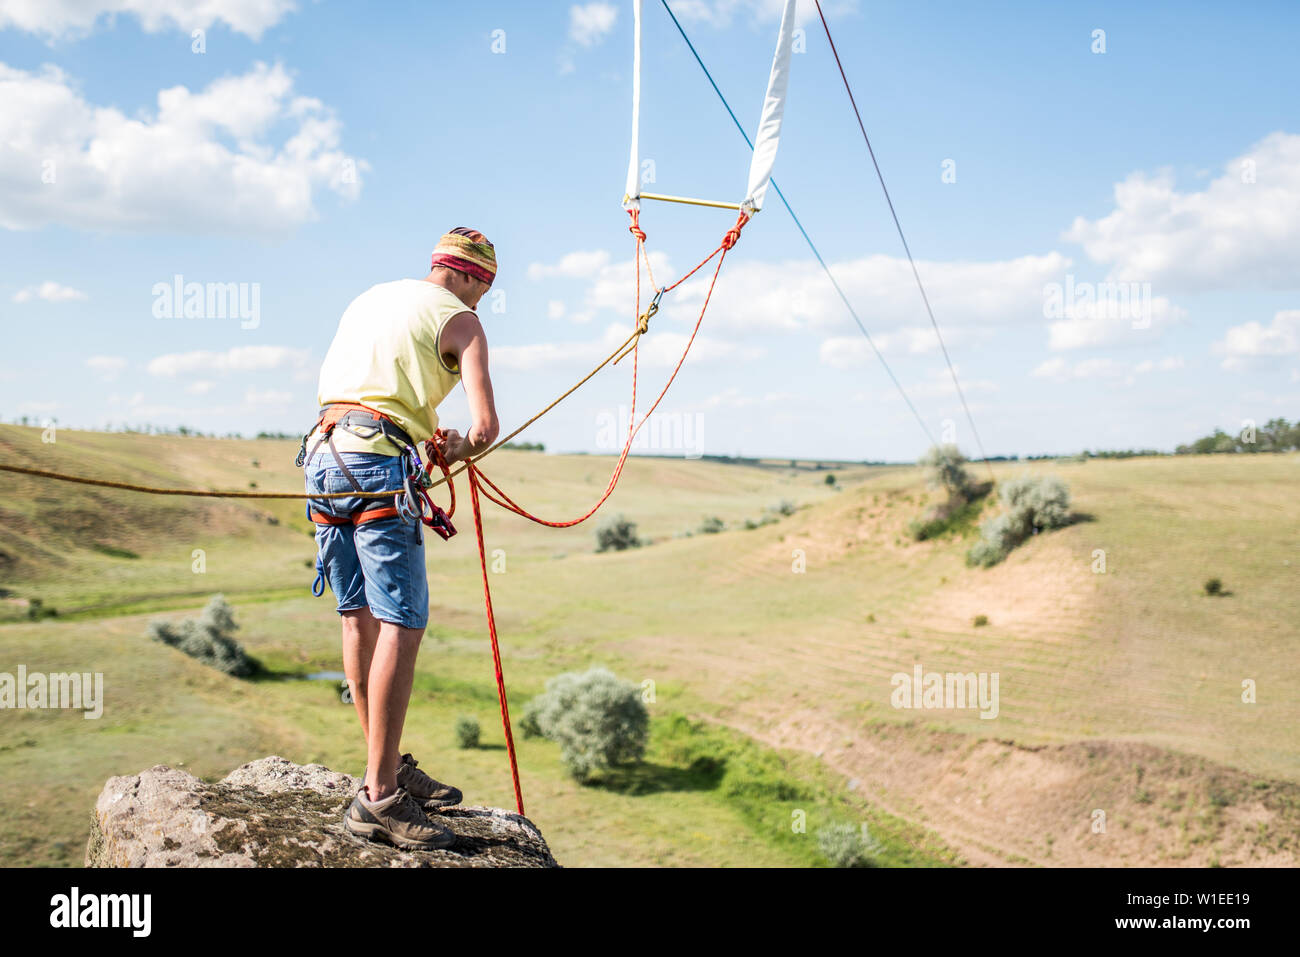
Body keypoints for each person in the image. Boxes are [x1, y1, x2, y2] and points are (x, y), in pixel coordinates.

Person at [301, 227, 500, 850]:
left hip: (322, 454)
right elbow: (486, 428)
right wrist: (456, 445)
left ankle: (382, 765)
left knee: (356, 614)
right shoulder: (462, 322)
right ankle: (381, 796)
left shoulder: (373, 297)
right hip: (378, 460)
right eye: (483, 292)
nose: (478, 304)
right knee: (403, 619)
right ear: (474, 279)